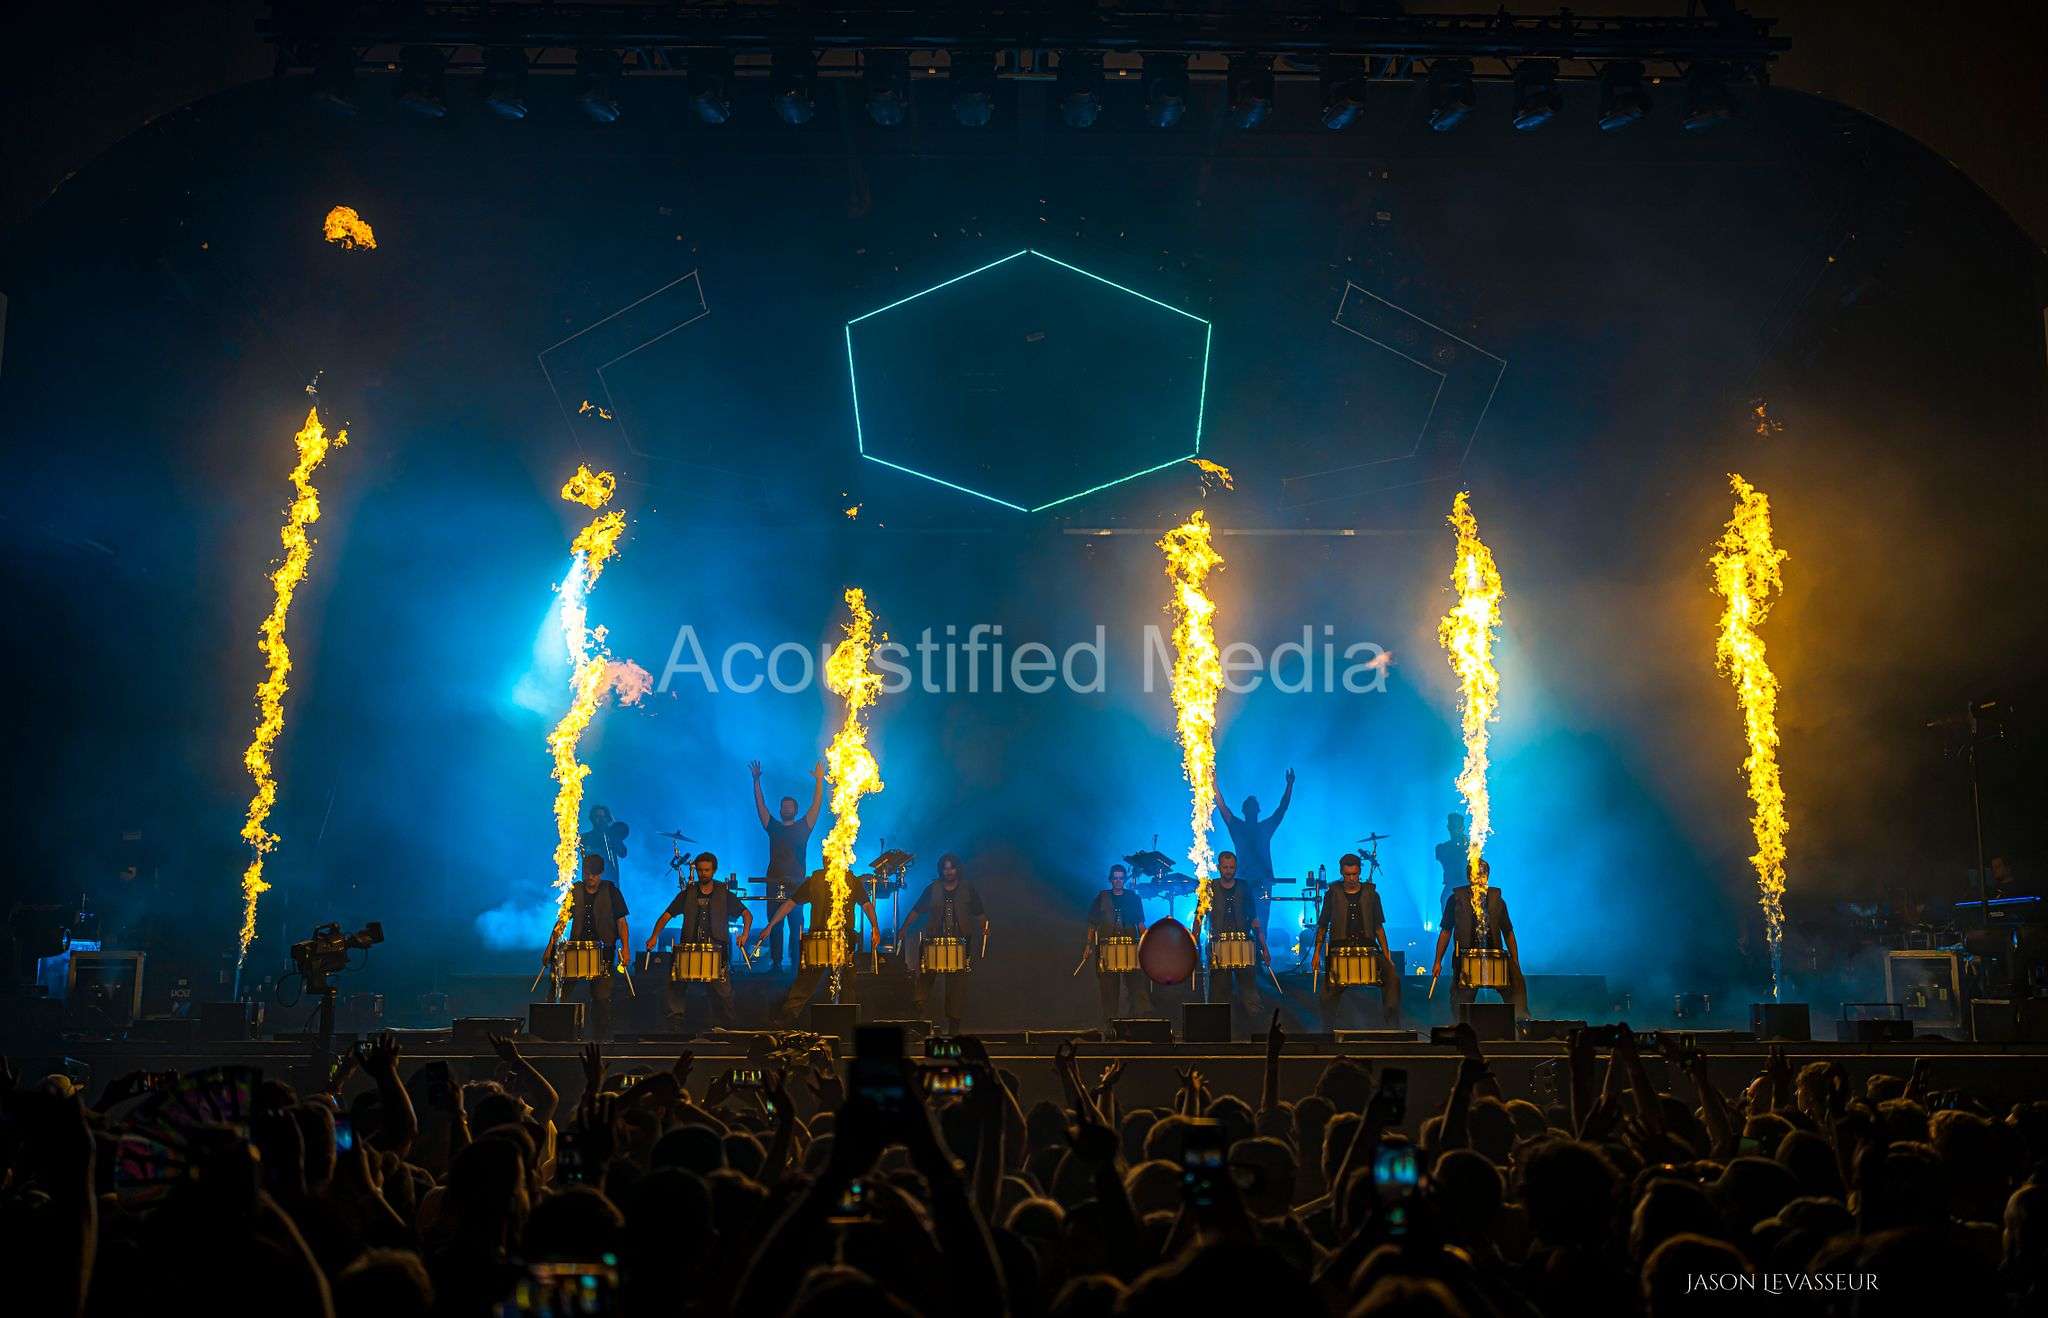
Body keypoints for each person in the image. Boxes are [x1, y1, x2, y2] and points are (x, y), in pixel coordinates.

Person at [753, 867, 881, 1027]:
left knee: (846, 981)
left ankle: (848, 1020)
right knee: (806, 981)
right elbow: (790, 903)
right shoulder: (815, 881)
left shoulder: (851, 880)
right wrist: (770, 925)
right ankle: (788, 1017)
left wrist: (875, 927)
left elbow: (867, 905)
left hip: (844, 938)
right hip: (818, 939)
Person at [646, 852, 753, 1028]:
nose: (703, 874)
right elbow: (666, 916)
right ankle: (675, 1021)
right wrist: (654, 936)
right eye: (700, 870)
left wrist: (745, 934)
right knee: (677, 982)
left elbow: (747, 914)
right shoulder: (687, 894)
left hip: (716, 948)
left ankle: (728, 1025)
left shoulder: (724, 894)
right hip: (690, 947)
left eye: (707, 870)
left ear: (714, 870)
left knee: (723, 990)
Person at [543, 850, 629, 1041]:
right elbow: (562, 921)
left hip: (604, 951)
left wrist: (625, 948)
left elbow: (621, 922)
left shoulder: (611, 891)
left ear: (601, 873)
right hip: (576, 950)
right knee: (560, 990)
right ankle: (553, 1032)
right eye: (587, 873)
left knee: (601, 997)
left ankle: (601, 1038)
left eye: (594, 874)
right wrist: (550, 946)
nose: (590, 877)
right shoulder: (575, 891)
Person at [1428, 857, 1528, 1016]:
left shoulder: (1497, 901)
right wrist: (1437, 961)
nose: (1479, 879)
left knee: (1516, 984)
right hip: (1466, 957)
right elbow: (1446, 931)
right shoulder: (1455, 900)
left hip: (1495, 956)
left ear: (1487, 876)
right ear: (1469, 877)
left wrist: (1515, 961)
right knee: (1460, 999)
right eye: (1476, 875)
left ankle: (1521, 1020)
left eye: (1483, 875)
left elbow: (1508, 932)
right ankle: (1461, 1024)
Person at [1313, 853, 1403, 1029]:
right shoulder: (1332, 894)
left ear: (1360, 871)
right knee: (1327, 995)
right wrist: (1316, 953)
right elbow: (1322, 926)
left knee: (1393, 977)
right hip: (1340, 952)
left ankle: (1393, 1028)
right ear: (1341, 872)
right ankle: (1327, 1033)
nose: (1352, 878)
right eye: (1348, 874)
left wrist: (1387, 956)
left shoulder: (1372, 894)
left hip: (1368, 949)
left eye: (1354, 874)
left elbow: (1378, 928)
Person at [902, 853, 988, 1033]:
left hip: (960, 943)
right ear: (941, 870)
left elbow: (980, 913)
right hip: (934, 940)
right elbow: (916, 910)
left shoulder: (967, 889)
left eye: (952, 867)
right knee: (926, 974)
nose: (948, 871)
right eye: (945, 868)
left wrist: (984, 927)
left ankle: (953, 1026)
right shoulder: (933, 888)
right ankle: (918, 1013)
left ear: (957, 869)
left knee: (957, 985)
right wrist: (904, 927)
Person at [752, 759, 825, 972]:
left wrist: (819, 781)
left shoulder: (804, 827)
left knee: (796, 925)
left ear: (795, 810)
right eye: (784, 806)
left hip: (797, 883)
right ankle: (776, 964)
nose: (786, 808)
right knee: (774, 924)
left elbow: (816, 805)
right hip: (774, 881)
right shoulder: (773, 827)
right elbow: (761, 806)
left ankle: (796, 965)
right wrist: (756, 781)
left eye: (790, 806)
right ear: (780, 810)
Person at [1217, 769, 1293, 957]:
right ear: (1246, 811)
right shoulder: (1239, 827)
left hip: (1261, 883)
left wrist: (1290, 785)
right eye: (1249, 808)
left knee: (1261, 924)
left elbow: (1282, 809)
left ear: (1255, 811)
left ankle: (1258, 959)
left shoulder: (1262, 827)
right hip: (1243, 883)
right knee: (1241, 922)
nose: (1251, 811)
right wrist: (1212, 784)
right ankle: (1245, 958)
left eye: (1253, 808)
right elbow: (1222, 808)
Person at [1194, 851, 1265, 1029]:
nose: (1228, 870)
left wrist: (1264, 947)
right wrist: (1193, 942)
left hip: (1243, 945)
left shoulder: (1244, 887)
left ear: (1236, 868)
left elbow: (1255, 920)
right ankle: (1218, 1030)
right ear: (1219, 868)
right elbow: (1199, 916)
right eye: (1225, 867)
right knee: (1220, 991)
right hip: (1218, 945)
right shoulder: (1209, 887)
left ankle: (1257, 1031)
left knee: (1249, 990)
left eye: (1232, 867)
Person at [1083, 863, 1151, 1031]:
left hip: (1130, 948)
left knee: (1136, 987)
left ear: (1124, 879)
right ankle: (1109, 1026)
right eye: (1115, 878)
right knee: (1108, 990)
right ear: (1111, 880)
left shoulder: (1133, 898)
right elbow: (1092, 924)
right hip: (1107, 948)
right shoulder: (1102, 897)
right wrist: (1088, 945)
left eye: (1121, 878)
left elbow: (1141, 925)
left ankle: (1135, 1027)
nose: (1118, 881)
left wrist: (1149, 943)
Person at [579, 804, 629, 882]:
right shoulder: (585, 838)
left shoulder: (612, 835)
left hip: (610, 881)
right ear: (592, 819)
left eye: (603, 817)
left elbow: (623, 853)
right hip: (591, 881)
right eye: (597, 817)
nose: (601, 820)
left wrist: (613, 836)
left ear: (607, 818)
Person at [1433, 812, 1469, 912]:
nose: (1454, 829)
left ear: (1462, 828)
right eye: (1452, 826)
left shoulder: (1470, 847)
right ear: (1448, 827)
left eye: (1456, 826)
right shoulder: (1442, 848)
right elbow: (1444, 857)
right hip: (1451, 886)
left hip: (1467, 886)